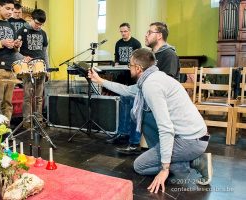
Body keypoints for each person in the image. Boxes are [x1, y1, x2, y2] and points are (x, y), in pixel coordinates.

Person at [88, 48, 212, 192]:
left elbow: (166, 128)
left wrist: (165, 168)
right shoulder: (154, 76)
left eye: (130, 65)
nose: (129, 68)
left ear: (139, 68)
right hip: (194, 137)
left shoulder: (150, 86)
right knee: (142, 114)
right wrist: (100, 80)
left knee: (140, 166)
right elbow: (127, 90)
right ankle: (173, 157)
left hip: (190, 141)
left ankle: (193, 162)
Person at [114, 22, 180, 155]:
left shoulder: (169, 55)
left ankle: (134, 143)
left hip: (161, 97)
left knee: (134, 100)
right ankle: (124, 134)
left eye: (149, 32)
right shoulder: (152, 55)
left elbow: (168, 82)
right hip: (148, 91)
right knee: (125, 96)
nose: (146, 35)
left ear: (159, 35)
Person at [106, 23, 142, 151]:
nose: (123, 34)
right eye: (121, 31)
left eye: (125, 31)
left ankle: (132, 136)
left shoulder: (136, 43)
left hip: (132, 77)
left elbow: (139, 61)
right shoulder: (118, 43)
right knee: (122, 103)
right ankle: (122, 132)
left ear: (129, 31)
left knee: (132, 106)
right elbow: (116, 59)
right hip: (121, 76)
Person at [16, 9, 49, 127]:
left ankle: (38, 120)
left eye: (41, 24)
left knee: (39, 97)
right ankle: (27, 121)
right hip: (27, 68)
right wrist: (22, 57)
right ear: (31, 18)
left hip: (40, 68)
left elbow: (45, 53)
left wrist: (47, 69)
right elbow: (15, 51)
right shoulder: (22, 31)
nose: (39, 26)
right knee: (28, 96)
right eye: (37, 23)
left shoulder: (43, 33)